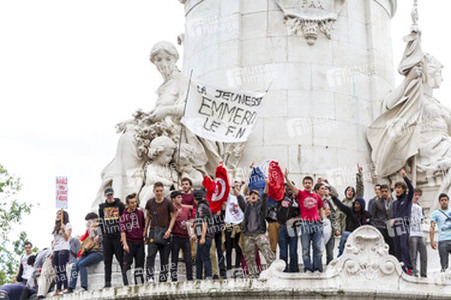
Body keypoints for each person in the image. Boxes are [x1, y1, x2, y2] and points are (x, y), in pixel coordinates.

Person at [284, 170, 325, 273]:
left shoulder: (317, 196)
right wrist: (286, 178)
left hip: (316, 223)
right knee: (305, 249)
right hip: (305, 223)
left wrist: (324, 221)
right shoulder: (301, 194)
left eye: (309, 183)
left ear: (312, 184)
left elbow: (321, 209)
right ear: (303, 184)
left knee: (317, 248)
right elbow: (293, 189)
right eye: (305, 183)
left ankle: (317, 268)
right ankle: (307, 268)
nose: (307, 184)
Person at [236, 179, 275, 277]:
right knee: (249, 257)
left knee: (267, 252)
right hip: (248, 235)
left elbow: (265, 196)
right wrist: (233, 187)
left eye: (255, 194)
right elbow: (239, 198)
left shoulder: (262, 207)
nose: (253, 195)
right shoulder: (246, 207)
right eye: (251, 194)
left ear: (258, 197)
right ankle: (253, 275)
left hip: (259, 234)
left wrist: (266, 184)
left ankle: (274, 272)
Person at [64, 213, 104, 293]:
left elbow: (99, 241)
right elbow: (92, 239)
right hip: (89, 251)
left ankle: (84, 286)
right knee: (75, 265)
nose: (88, 224)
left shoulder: (101, 227)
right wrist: (92, 229)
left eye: (89, 222)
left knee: (82, 264)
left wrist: (97, 229)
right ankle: (71, 287)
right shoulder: (91, 229)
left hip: (99, 252)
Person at [144, 182, 176, 283]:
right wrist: (145, 230)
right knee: (150, 256)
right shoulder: (150, 202)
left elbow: (173, 217)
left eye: (161, 191)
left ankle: (163, 278)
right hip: (153, 232)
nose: (159, 193)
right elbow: (148, 216)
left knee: (165, 258)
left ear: (163, 191)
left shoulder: (168, 203)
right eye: (157, 191)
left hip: (165, 232)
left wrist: (169, 230)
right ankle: (150, 277)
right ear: (153, 191)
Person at [98, 187, 126, 288]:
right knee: (107, 261)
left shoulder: (120, 205)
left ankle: (126, 281)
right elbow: (100, 222)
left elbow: (124, 219)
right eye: (108, 195)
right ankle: (107, 282)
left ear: (113, 194)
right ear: (105, 196)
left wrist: (124, 235)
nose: (109, 196)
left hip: (118, 236)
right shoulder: (102, 207)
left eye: (111, 194)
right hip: (107, 237)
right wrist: (98, 235)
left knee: (121, 259)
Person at [391, 169, 414, 273]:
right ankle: (401, 267)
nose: (397, 190)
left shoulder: (407, 199)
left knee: (403, 246)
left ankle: (409, 268)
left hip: (403, 224)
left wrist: (405, 177)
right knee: (396, 248)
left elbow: (412, 189)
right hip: (394, 226)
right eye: (396, 188)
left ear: (404, 189)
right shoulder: (394, 203)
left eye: (399, 188)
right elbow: (394, 215)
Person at [120, 194, 145, 285]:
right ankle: (127, 284)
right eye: (132, 203)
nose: (134, 204)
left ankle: (139, 283)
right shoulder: (123, 216)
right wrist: (125, 244)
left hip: (139, 242)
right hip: (129, 242)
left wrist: (144, 235)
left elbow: (143, 225)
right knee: (127, 264)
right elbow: (122, 231)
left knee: (140, 264)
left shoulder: (140, 213)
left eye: (135, 202)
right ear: (127, 204)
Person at [169, 190, 193, 281]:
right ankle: (173, 279)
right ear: (173, 199)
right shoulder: (171, 210)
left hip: (185, 237)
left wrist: (189, 223)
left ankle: (190, 278)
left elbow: (191, 220)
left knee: (188, 259)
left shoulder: (186, 209)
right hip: (175, 236)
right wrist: (176, 215)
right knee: (174, 259)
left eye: (181, 197)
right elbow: (168, 222)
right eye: (178, 197)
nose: (180, 199)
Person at [336, 165, 364, 242]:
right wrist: (337, 229)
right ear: (345, 192)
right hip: (344, 230)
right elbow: (338, 218)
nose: (350, 192)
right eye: (348, 190)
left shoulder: (356, 201)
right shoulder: (342, 204)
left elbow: (360, 189)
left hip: (355, 229)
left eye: (352, 191)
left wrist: (359, 175)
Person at [277, 183, 300, 272]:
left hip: (293, 228)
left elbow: (302, 214)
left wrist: (295, 219)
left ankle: (294, 271)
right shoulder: (280, 198)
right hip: (282, 227)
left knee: (293, 252)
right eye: (288, 187)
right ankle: (283, 271)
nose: (290, 188)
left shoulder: (298, 200)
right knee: (283, 252)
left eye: (292, 187)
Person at [224, 180, 245, 276]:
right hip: (229, 225)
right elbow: (225, 189)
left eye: (238, 186)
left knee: (238, 248)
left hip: (239, 225)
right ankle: (228, 269)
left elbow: (248, 188)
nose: (236, 188)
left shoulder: (242, 197)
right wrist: (230, 184)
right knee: (228, 249)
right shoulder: (229, 197)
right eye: (234, 186)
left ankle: (236, 270)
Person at [192, 189, 214, 280]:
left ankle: (208, 276)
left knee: (205, 257)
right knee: (198, 258)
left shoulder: (201, 207)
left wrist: (203, 237)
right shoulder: (203, 206)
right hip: (202, 236)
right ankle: (199, 277)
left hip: (205, 236)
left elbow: (204, 222)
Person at [316, 183, 340, 264]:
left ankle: (330, 270)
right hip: (319, 229)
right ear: (317, 190)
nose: (324, 190)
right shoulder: (314, 200)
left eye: (325, 189)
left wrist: (335, 228)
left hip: (330, 230)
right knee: (319, 252)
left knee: (330, 253)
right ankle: (318, 269)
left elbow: (334, 215)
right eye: (322, 188)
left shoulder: (328, 201)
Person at [51, 210, 72, 296]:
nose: (58, 215)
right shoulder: (56, 226)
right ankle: (58, 288)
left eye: (60, 214)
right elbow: (55, 241)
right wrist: (52, 252)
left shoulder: (67, 225)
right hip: (56, 249)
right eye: (57, 214)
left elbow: (67, 238)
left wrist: (63, 230)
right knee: (57, 270)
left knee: (62, 269)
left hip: (63, 249)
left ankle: (65, 286)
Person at [370, 184, 395, 256]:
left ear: (389, 192)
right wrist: (375, 227)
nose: (384, 193)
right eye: (382, 192)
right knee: (381, 246)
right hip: (380, 226)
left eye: (386, 191)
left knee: (392, 246)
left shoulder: (393, 202)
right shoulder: (376, 203)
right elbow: (372, 216)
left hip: (390, 227)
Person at [430, 193, 451, 272]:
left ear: (448, 201)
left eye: (445, 200)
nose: (444, 202)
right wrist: (432, 241)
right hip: (443, 241)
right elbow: (432, 228)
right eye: (442, 200)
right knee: (444, 266)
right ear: (439, 202)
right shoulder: (435, 213)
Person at [409, 188, 427, 277]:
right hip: (411, 233)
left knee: (424, 255)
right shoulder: (408, 206)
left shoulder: (420, 207)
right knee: (413, 256)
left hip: (420, 233)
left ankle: (424, 274)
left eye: (418, 195)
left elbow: (421, 220)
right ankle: (414, 272)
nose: (417, 197)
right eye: (415, 195)